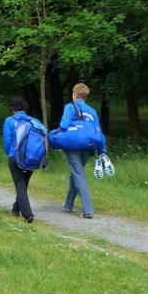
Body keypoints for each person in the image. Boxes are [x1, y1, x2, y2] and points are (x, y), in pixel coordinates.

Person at [59, 83, 103, 219]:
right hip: (88, 147)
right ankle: (68, 205)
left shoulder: (70, 107)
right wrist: (102, 150)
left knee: (79, 175)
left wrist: (73, 125)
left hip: (73, 146)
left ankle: (88, 210)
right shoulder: (92, 111)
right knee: (76, 173)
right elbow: (98, 132)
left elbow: (64, 125)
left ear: (75, 94)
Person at [3, 96, 46, 223]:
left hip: (15, 157)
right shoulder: (34, 121)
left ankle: (28, 215)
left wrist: (10, 154)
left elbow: (7, 142)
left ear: (12, 108)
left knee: (20, 185)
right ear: (25, 108)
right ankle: (15, 209)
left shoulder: (10, 121)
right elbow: (44, 133)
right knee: (23, 184)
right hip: (32, 158)